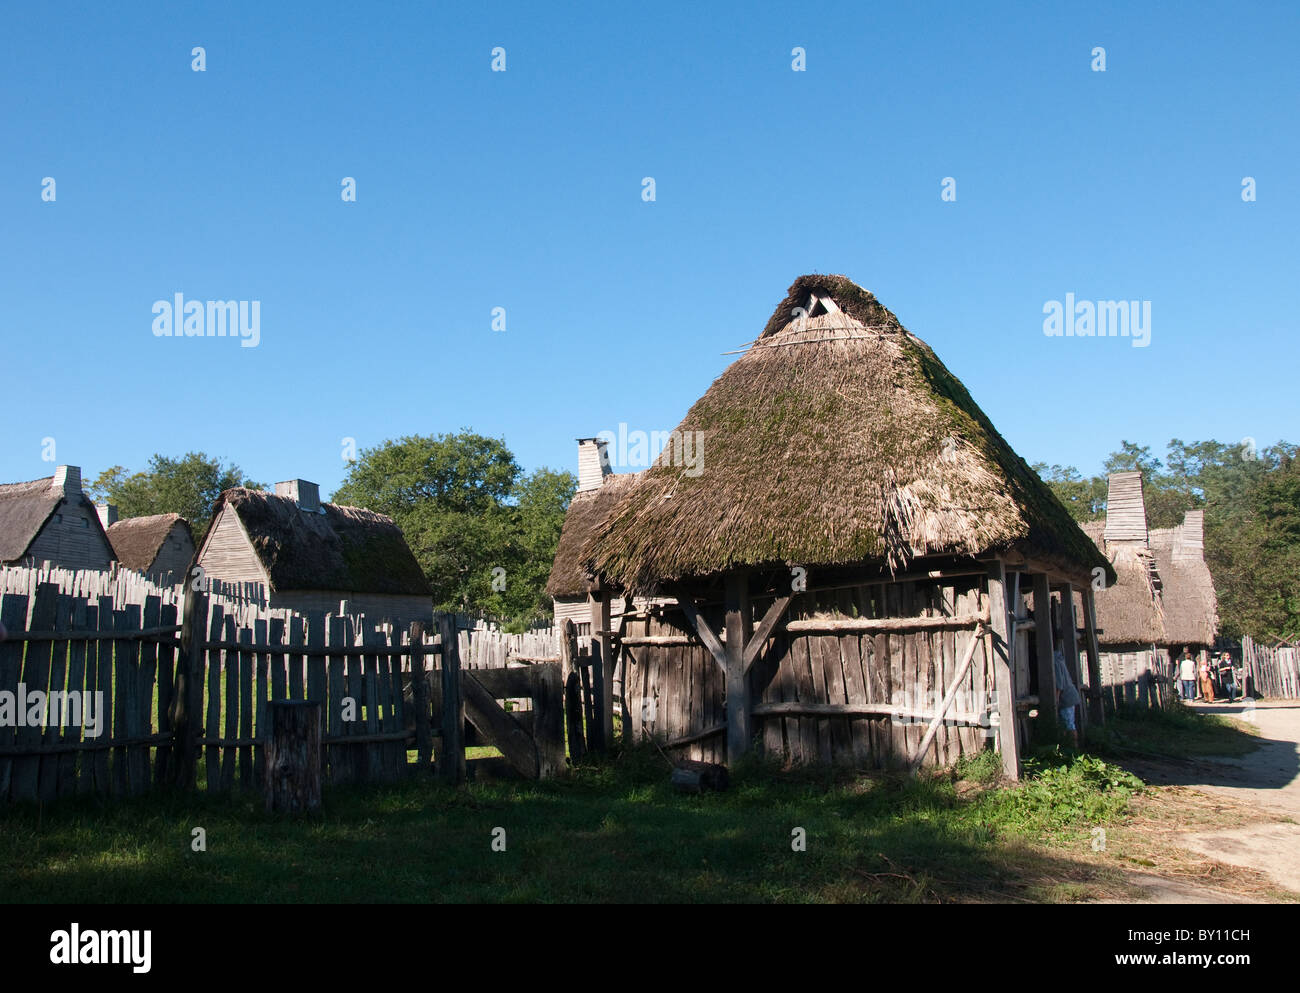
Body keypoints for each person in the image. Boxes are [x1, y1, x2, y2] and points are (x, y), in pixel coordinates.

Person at [1053, 643, 1081, 747]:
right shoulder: (1059, 659)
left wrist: (1055, 700)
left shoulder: (1055, 662)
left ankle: (1074, 748)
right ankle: (1069, 747)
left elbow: (1059, 685)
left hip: (1066, 698)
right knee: (1066, 725)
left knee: (1069, 725)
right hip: (1069, 696)